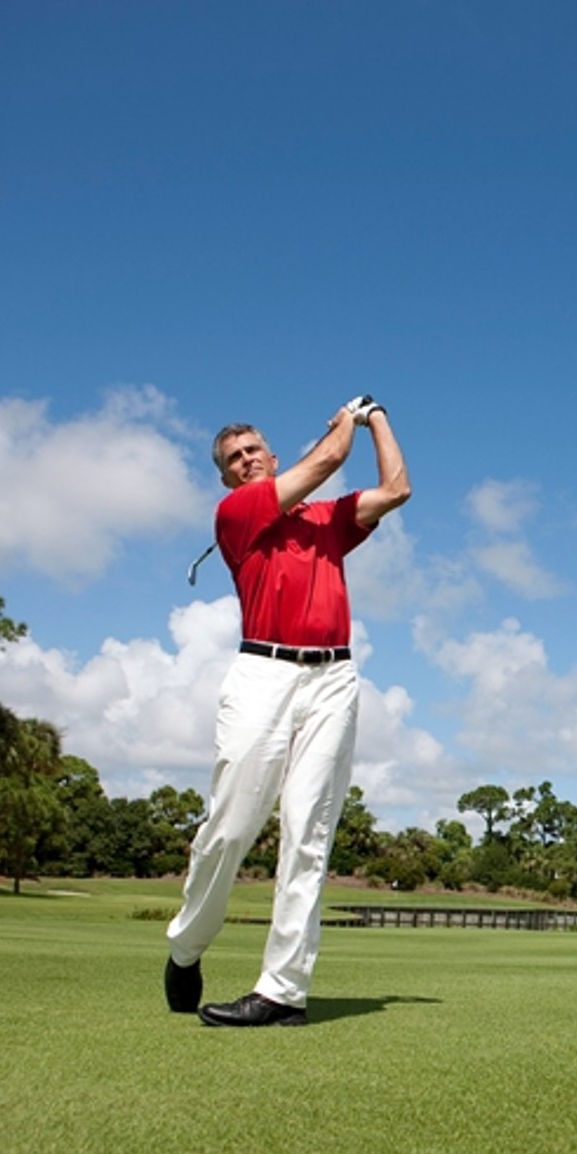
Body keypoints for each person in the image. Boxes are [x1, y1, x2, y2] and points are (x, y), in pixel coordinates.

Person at [164, 396, 410, 1027]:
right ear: (228, 477)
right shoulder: (237, 514)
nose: (246, 461)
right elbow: (330, 457)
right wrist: (343, 425)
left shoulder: (328, 520)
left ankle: (282, 991)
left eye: (253, 452)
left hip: (333, 678)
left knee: (309, 833)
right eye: (234, 459)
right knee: (231, 825)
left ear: (272, 456)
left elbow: (397, 489)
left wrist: (377, 415)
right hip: (262, 674)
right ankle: (187, 947)